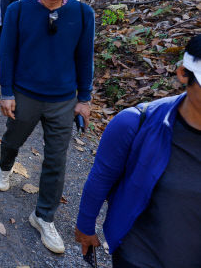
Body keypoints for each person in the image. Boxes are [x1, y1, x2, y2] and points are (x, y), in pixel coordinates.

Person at [0, 0, 94, 254]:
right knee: (13, 139)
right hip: (25, 93)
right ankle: (5, 166)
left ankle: (44, 216)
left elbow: (84, 58)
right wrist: (7, 93)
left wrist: (84, 99)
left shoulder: (83, 13)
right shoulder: (18, 11)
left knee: (56, 159)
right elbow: (7, 54)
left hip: (63, 99)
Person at [75, 35, 201, 267]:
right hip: (138, 257)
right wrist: (85, 226)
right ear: (184, 74)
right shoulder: (135, 123)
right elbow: (101, 177)